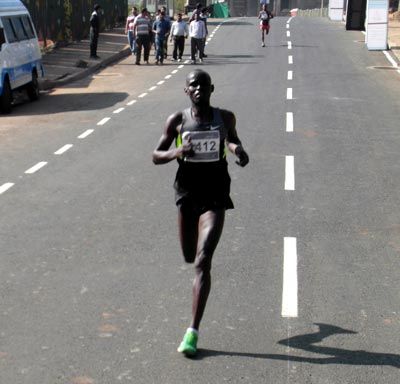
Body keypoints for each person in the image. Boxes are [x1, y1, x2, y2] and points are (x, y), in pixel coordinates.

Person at [152, 70, 249, 356]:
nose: (198, 89)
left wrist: (238, 150)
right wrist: (177, 153)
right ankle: (196, 271)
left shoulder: (225, 118)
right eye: (193, 85)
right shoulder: (178, 121)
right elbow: (156, 155)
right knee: (188, 255)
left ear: (211, 89)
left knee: (203, 259)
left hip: (216, 194)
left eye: (203, 85)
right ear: (186, 90)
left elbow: (231, 140)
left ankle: (192, 332)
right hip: (187, 194)